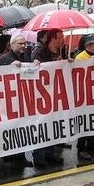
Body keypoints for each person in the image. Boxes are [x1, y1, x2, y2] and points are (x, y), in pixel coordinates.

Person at [30, 29, 66, 168]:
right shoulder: (39, 52)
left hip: (55, 94)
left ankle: (50, 154)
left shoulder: (60, 52)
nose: (63, 39)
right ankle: (38, 156)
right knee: (42, 125)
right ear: (53, 39)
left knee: (53, 124)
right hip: (41, 95)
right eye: (60, 37)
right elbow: (34, 68)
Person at [0, 34, 34, 167]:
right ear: (11, 45)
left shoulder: (26, 57)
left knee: (22, 129)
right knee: (10, 129)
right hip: (8, 102)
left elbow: (31, 74)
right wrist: (10, 67)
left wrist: (35, 65)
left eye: (24, 43)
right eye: (20, 43)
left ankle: (21, 157)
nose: (24, 46)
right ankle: (8, 158)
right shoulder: (4, 59)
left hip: (23, 99)